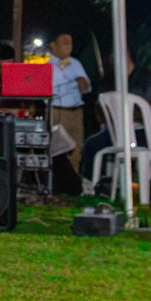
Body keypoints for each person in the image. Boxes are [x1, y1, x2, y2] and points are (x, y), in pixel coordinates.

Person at [46, 32, 92, 196]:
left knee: (76, 148)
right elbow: (48, 89)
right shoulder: (47, 66)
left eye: (71, 43)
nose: (69, 46)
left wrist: (83, 84)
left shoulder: (76, 63)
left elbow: (88, 87)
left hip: (75, 110)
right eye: (65, 42)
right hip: (57, 110)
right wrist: (70, 83)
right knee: (58, 150)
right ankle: (56, 186)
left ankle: (73, 187)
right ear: (54, 45)